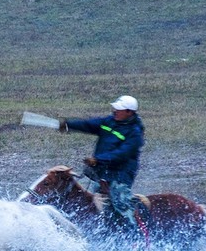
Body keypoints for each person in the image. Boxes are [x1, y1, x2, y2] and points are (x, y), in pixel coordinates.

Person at [59, 95, 143, 230]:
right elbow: (88, 125)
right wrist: (68, 124)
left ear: (129, 112)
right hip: (103, 173)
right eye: (115, 108)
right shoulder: (109, 122)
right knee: (96, 202)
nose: (115, 111)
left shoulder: (135, 133)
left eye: (119, 109)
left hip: (120, 175)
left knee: (120, 204)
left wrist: (98, 159)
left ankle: (132, 232)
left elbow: (122, 153)